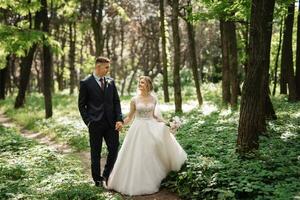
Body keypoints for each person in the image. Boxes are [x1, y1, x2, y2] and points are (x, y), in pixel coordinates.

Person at [107, 76, 187, 196]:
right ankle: (132, 182)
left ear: (148, 85)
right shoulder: (134, 99)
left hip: (151, 127)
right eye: (139, 82)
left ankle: (153, 178)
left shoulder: (153, 99)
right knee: (137, 154)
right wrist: (121, 123)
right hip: (137, 129)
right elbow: (130, 116)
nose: (140, 84)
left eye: (142, 82)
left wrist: (168, 124)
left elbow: (156, 116)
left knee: (150, 154)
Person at [78, 56, 123, 187]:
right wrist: (88, 122)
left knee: (114, 149)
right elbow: (81, 105)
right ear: (98, 67)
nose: (108, 70)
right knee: (95, 153)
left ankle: (106, 175)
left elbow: (116, 102)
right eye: (106, 67)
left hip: (111, 123)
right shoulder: (86, 83)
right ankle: (97, 181)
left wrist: (119, 119)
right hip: (95, 124)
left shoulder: (111, 82)